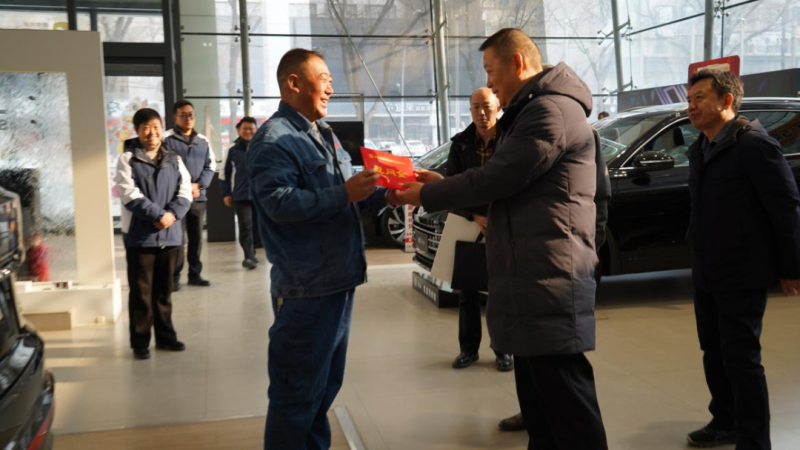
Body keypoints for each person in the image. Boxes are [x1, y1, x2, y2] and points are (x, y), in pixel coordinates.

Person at [394, 28, 608, 449]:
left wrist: (428, 195)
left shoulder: (550, 111)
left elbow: (499, 178)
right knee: (540, 403)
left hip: (549, 273)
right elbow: (506, 185)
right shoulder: (533, 110)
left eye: (491, 71)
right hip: (530, 271)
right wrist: (442, 182)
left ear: (517, 63)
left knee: (566, 403)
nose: (489, 83)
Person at [248, 48, 395, 449]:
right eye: (324, 78)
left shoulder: (322, 133)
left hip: (337, 280)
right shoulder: (274, 140)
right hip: (307, 288)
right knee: (296, 395)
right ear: (293, 83)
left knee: (322, 389)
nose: (330, 87)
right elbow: (279, 205)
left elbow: (348, 193)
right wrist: (344, 193)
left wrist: (387, 194)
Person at [683, 70, 800, 449]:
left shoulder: (754, 145)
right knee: (713, 352)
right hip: (707, 268)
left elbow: (785, 207)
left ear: (727, 100)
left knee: (741, 358)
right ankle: (725, 421)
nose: (691, 106)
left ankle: (754, 440)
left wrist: (791, 267)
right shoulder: (701, 148)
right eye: (689, 99)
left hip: (743, 270)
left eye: (700, 98)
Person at [497, 104, 614, 433]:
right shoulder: (515, 130)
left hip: (561, 263)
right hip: (524, 262)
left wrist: (592, 245)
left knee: (561, 361)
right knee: (529, 353)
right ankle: (533, 413)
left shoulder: (574, 130)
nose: (493, 85)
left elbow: (599, 197)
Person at [115, 108, 193, 360]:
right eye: (146, 128)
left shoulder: (174, 159)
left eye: (156, 127)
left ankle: (166, 337)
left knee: (164, 292)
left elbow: (185, 191)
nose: (152, 133)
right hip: (141, 238)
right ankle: (140, 342)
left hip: (170, 236)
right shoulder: (128, 159)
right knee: (141, 293)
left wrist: (172, 214)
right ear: (137, 131)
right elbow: (129, 194)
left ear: (162, 128)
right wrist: (158, 215)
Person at [447, 87, 513, 372]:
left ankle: (503, 350)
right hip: (469, 224)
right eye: (475, 107)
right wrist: (473, 215)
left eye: (486, 106)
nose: (481, 112)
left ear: (498, 108)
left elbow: (516, 182)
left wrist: (494, 215)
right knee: (468, 290)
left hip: (503, 224)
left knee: (501, 292)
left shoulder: (511, 139)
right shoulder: (461, 144)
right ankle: (468, 350)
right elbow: (451, 186)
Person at [163, 100, 216, 290]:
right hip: (176, 198)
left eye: (191, 114)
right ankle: (174, 277)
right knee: (177, 239)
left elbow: (210, 166)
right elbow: (165, 168)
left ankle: (195, 274)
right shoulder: (166, 139)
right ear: (175, 117)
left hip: (197, 197)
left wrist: (199, 184)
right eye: (183, 114)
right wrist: (185, 187)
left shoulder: (202, 140)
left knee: (196, 238)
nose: (188, 118)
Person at [220, 116, 259, 270]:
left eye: (251, 129)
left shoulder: (262, 146)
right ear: (239, 130)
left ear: (256, 130)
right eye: (245, 129)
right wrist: (226, 193)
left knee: (258, 226)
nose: (248, 131)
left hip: (259, 194)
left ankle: (253, 251)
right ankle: (248, 256)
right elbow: (224, 173)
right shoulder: (232, 149)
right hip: (240, 194)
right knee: (245, 226)